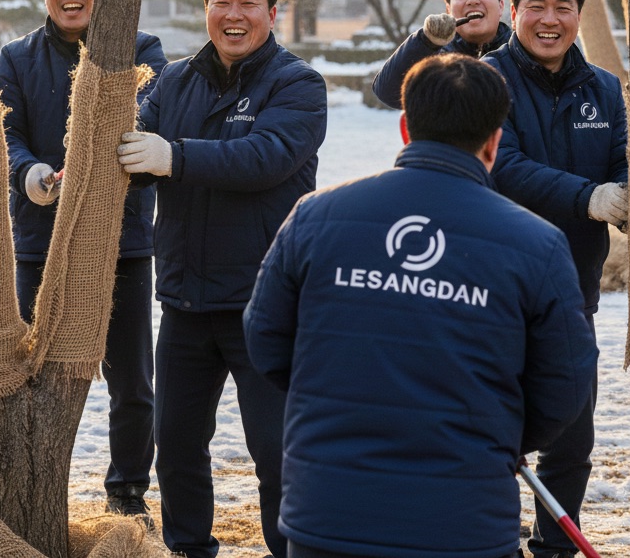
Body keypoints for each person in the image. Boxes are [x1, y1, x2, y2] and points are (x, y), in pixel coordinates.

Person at [243, 53, 598, 558]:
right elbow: (565, 383)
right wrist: (500, 434)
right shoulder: (537, 244)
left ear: (406, 127)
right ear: (495, 141)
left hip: (330, 514)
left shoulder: (316, 216)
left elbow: (264, 339)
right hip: (464, 521)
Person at [116, 0, 327, 558]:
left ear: (272, 12)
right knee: (177, 444)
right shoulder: (172, 82)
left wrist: (174, 157)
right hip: (184, 297)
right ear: (205, 9)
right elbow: (135, 152)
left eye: (248, 3)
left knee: (276, 451)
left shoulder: (297, 84)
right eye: (221, 2)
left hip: (265, 302)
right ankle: (189, 548)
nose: (234, 15)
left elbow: (267, 158)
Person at [0, 0, 166, 526]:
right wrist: (30, 172)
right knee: (33, 371)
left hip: (124, 242)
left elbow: (151, 122)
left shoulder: (142, 49)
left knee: (131, 380)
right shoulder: (16, 57)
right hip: (39, 239)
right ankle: (35, 494)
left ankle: (126, 494)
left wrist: (97, 169)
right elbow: (5, 133)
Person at [482, 0, 627, 558]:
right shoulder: (484, 81)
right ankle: (487, 543)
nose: (549, 19)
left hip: (573, 291)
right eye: (535, 6)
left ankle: (552, 550)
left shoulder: (604, 89)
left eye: (563, 7)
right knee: (490, 432)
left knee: (571, 433)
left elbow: (625, 159)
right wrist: (589, 196)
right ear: (513, 12)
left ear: (579, 15)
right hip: (492, 292)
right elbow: (502, 166)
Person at [372, 0, 510, 108]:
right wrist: (425, 41)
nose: (472, 1)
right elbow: (388, 93)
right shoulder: (436, 60)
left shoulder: (520, 54)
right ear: (448, 10)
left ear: (501, 6)